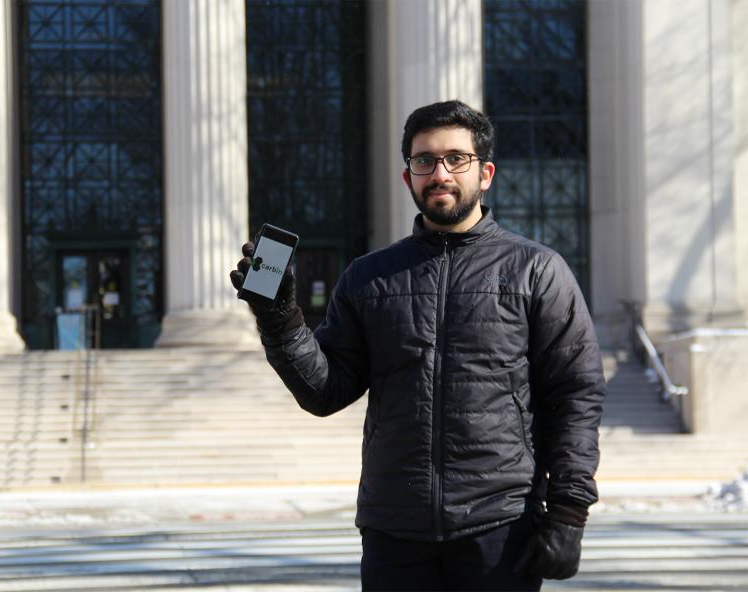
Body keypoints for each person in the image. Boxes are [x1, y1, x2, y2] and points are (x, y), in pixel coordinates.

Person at [230, 100, 605, 591]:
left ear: (485, 173)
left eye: (456, 158)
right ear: (408, 178)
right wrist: (280, 319)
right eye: (424, 161)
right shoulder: (368, 277)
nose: (440, 173)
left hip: (499, 526)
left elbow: (575, 394)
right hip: (394, 530)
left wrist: (569, 513)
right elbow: (324, 391)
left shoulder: (536, 271)